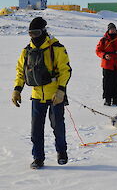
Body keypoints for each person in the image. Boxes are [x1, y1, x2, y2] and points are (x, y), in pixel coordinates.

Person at [11, 17, 72, 169]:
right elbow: (21, 72)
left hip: (55, 96)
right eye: (30, 33)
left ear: (44, 31)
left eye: (36, 33)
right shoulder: (27, 51)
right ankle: (38, 158)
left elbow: (65, 71)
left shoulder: (56, 48)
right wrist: (17, 89)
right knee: (36, 130)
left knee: (58, 126)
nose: (33, 37)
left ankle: (62, 152)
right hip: (37, 96)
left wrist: (61, 90)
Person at [95, 23, 117, 106]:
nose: (112, 31)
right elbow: (98, 51)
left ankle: (116, 99)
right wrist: (104, 55)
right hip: (107, 64)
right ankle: (107, 99)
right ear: (108, 30)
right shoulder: (103, 40)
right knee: (107, 82)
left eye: (114, 29)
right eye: (111, 29)